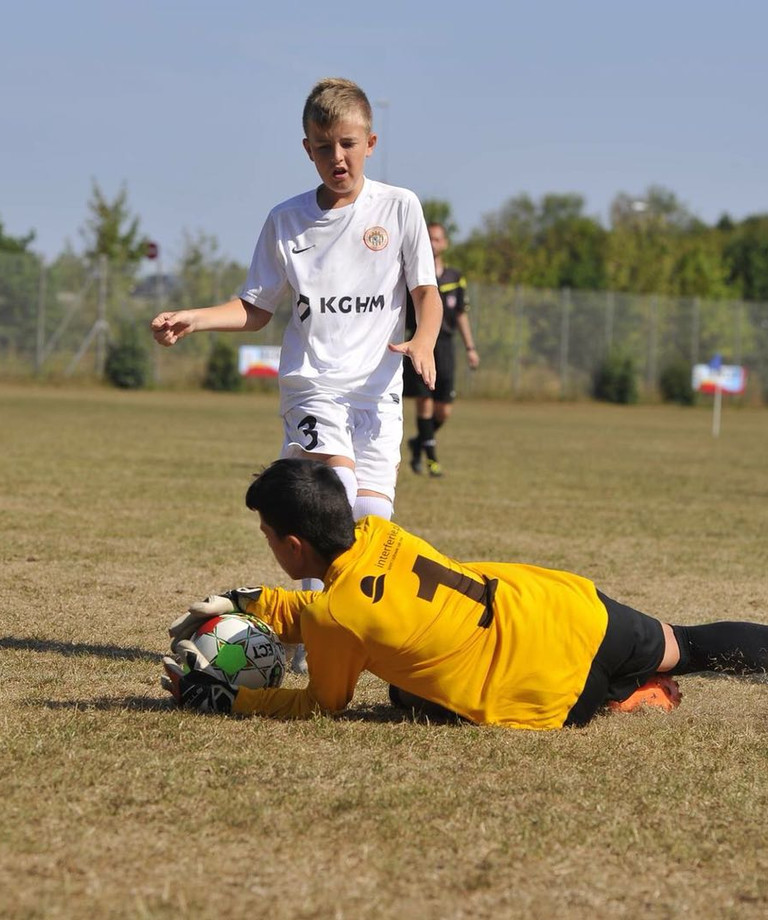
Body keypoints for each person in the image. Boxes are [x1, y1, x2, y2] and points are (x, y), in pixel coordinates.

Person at [150, 78, 443, 674]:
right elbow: (256, 307)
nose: (338, 157)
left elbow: (425, 293)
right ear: (305, 149)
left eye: (348, 143)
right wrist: (196, 318)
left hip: (377, 393)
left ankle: (341, 630)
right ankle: (314, 640)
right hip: (313, 385)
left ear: (370, 142)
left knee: (371, 525)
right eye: (323, 146)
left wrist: (424, 340)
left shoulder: (400, 206)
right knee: (326, 507)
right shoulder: (286, 221)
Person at [162, 458, 768, 729]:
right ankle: (636, 679)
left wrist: (229, 702)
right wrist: (252, 601)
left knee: (403, 691)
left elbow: (322, 705)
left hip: (552, 693)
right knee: (688, 644)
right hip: (568, 610)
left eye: (267, 535)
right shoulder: (380, 532)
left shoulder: (337, 617)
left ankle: (625, 696)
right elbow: (322, 608)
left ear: (293, 545)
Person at [403, 222, 479, 478]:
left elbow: (461, 315)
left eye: (437, 239)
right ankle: (432, 460)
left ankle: (419, 443)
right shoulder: (414, 273)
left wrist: (470, 347)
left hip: (445, 345)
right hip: (420, 342)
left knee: (443, 409)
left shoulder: (455, 277)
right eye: (429, 239)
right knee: (424, 400)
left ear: (444, 243)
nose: (433, 243)